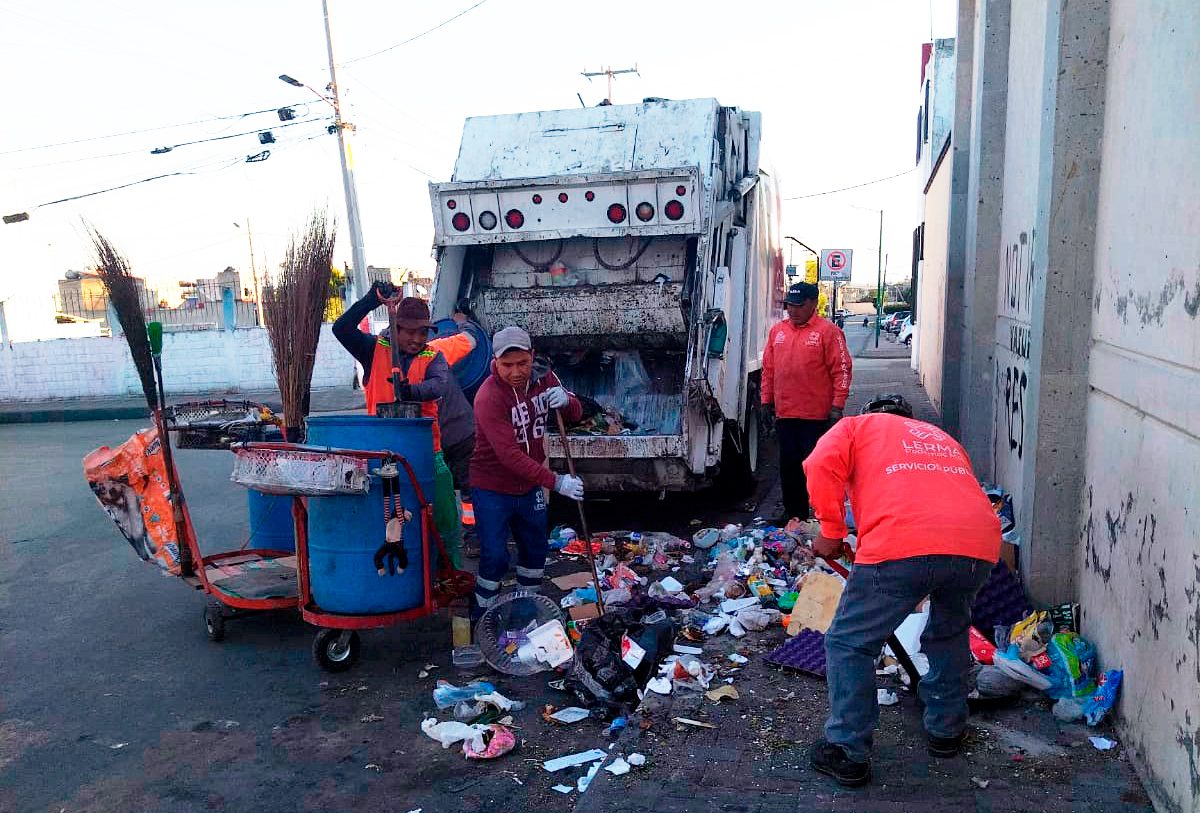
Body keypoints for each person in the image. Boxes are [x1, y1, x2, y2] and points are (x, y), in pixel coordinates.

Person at [802, 394, 1001, 787]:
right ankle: (946, 729)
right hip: (977, 545)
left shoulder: (856, 427)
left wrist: (830, 531)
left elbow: (820, 463)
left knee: (850, 644)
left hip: (903, 541)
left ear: (870, 414)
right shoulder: (940, 437)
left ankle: (846, 750)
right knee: (948, 633)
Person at [332, 281, 477, 568]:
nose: (416, 338)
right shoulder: (373, 350)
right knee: (390, 526)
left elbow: (438, 385)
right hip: (382, 455)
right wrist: (372, 299)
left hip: (428, 454)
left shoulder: (433, 356)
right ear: (395, 329)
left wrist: (411, 392)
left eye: (422, 332)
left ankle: (450, 575)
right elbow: (341, 329)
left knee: (445, 523)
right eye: (409, 331)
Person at [470, 326, 583, 617]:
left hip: (528, 486)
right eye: (507, 365)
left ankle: (525, 615)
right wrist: (556, 482)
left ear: (532, 356)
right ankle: (482, 619)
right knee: (495, 558)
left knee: (535, 552)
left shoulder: (546, 379)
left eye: (522, 363)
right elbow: (508, 455)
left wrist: (567, 400)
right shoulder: (488, 397)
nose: (516, 371)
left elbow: (575, 414)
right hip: (492, 487)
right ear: (495, 362)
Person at [761, 282, 852, 523]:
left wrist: (837, 406)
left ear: (813, 304)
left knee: (817, 469)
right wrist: (765, 401)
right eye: (790, 305)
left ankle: (825, 515)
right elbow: (768, 370)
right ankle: (795, 514)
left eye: (799, 306)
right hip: (786, 414)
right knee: (789, 468)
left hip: (816, 417)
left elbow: (841, 370)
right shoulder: (777, 332)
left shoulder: (828, 332)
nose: (793, 310)